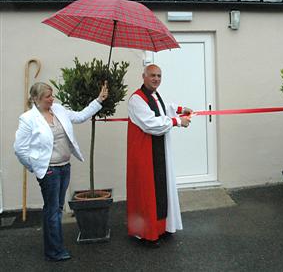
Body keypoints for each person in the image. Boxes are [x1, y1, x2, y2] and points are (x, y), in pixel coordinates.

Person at [13, 82, 108, 261]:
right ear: (36, 99)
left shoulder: (58, 109)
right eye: (47, 96)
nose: (52, 98)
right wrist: (35, 167)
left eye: (52, 95)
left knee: (55, 208)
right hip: (50, 171)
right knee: (53, 210)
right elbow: (19, 149)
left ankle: (53, 248)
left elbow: (80, 117)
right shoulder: (28, 119)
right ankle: (55, 251)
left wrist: (98, 100)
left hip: (65, 166)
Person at [127, 64, 191, 247]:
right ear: (143, 76)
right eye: (152, 75)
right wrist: (178, 121)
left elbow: (163, 109)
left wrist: (180, 109)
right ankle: (147, 234)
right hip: (144, 153)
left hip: (157, 150)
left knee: (161, 190)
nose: (156, 79)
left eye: (159, 76)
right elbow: (150, 124)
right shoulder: (137, 99)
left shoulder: (153, 95)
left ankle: (160, 228)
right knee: (147, 191)